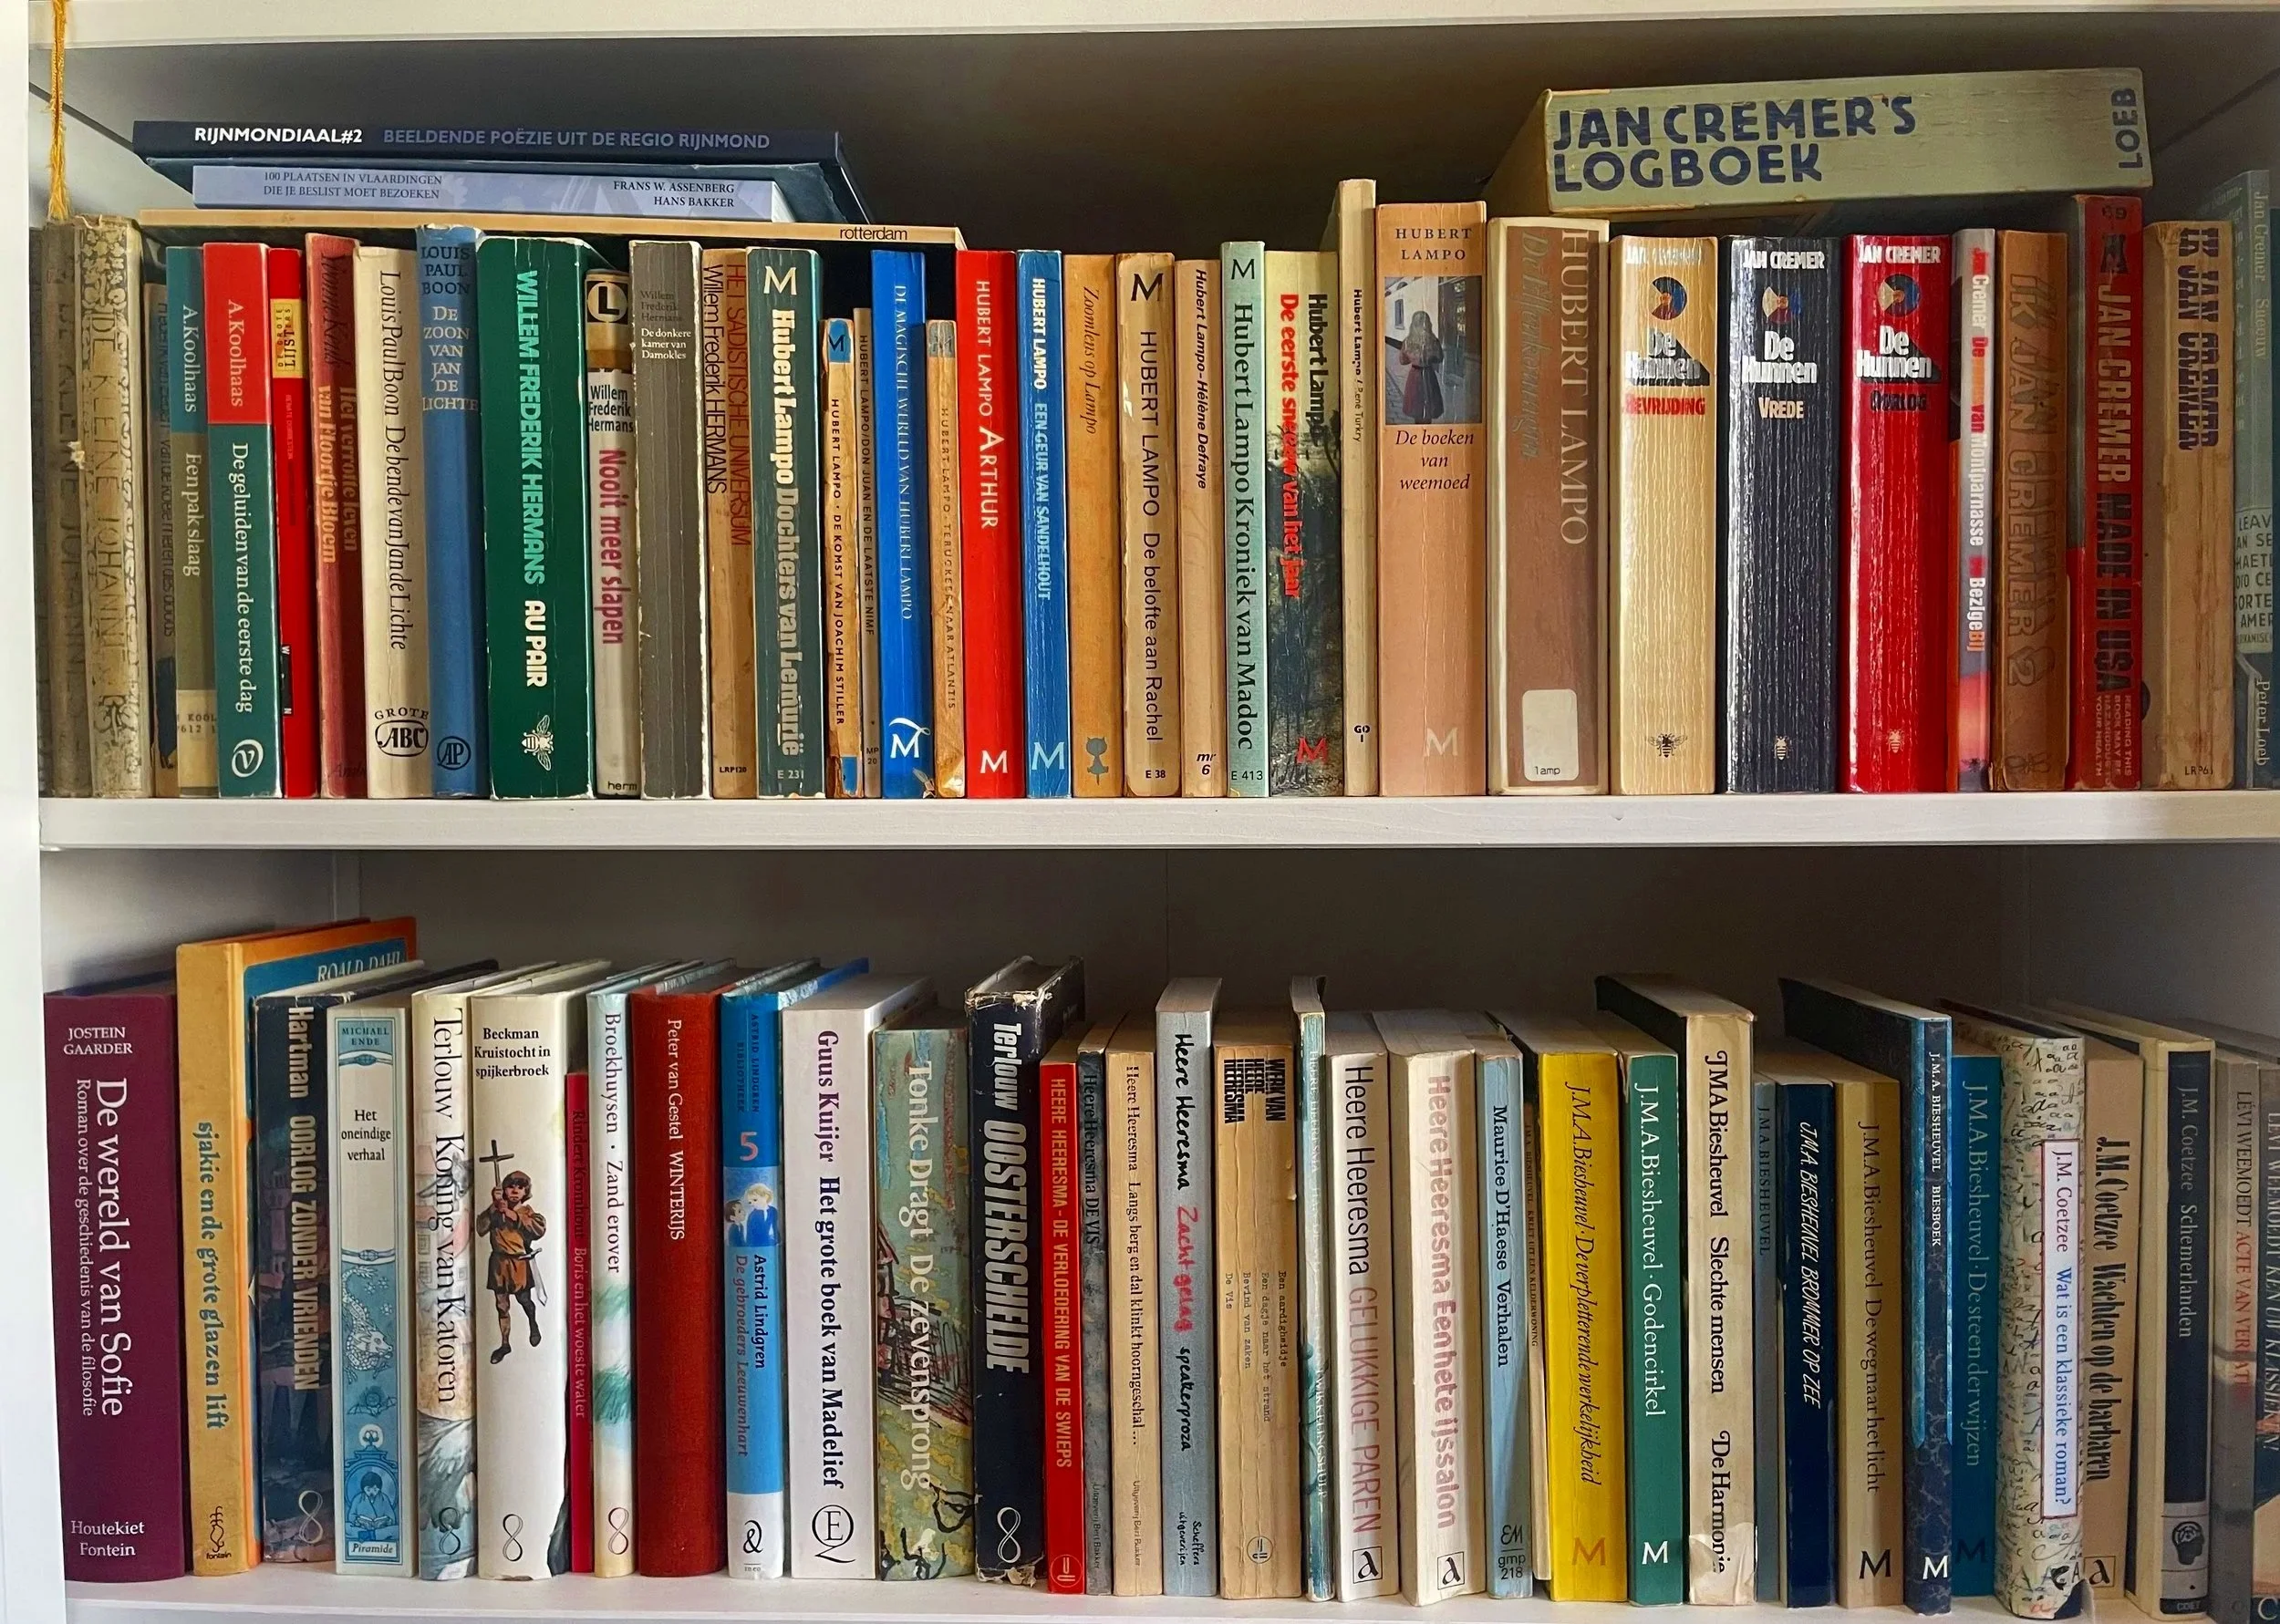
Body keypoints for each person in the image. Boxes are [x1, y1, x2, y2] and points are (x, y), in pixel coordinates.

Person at [476, 1170, 546, 1362]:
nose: (515, 1191)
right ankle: (505, 1344)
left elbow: (538, 1229)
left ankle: (533, 1323)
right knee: (501, 1306)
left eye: (520, 1187)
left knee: (524, 1300)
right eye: (511, 1187)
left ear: (526, 1192)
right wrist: (494, 1206)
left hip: (519, 1263)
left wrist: (512, 1215)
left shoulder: (527, 1213)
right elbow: (480, 1228)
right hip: (499, 1264)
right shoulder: (495, 1211)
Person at [1401, 308, 1446, 424]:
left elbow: (1403, 361)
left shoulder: (1407, 341)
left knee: (1416, 406)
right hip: (1429, 375)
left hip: (1414, 376)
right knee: (1429, 408)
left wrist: (1413, 358)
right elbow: (1440, 358)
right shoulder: (1434, 341)